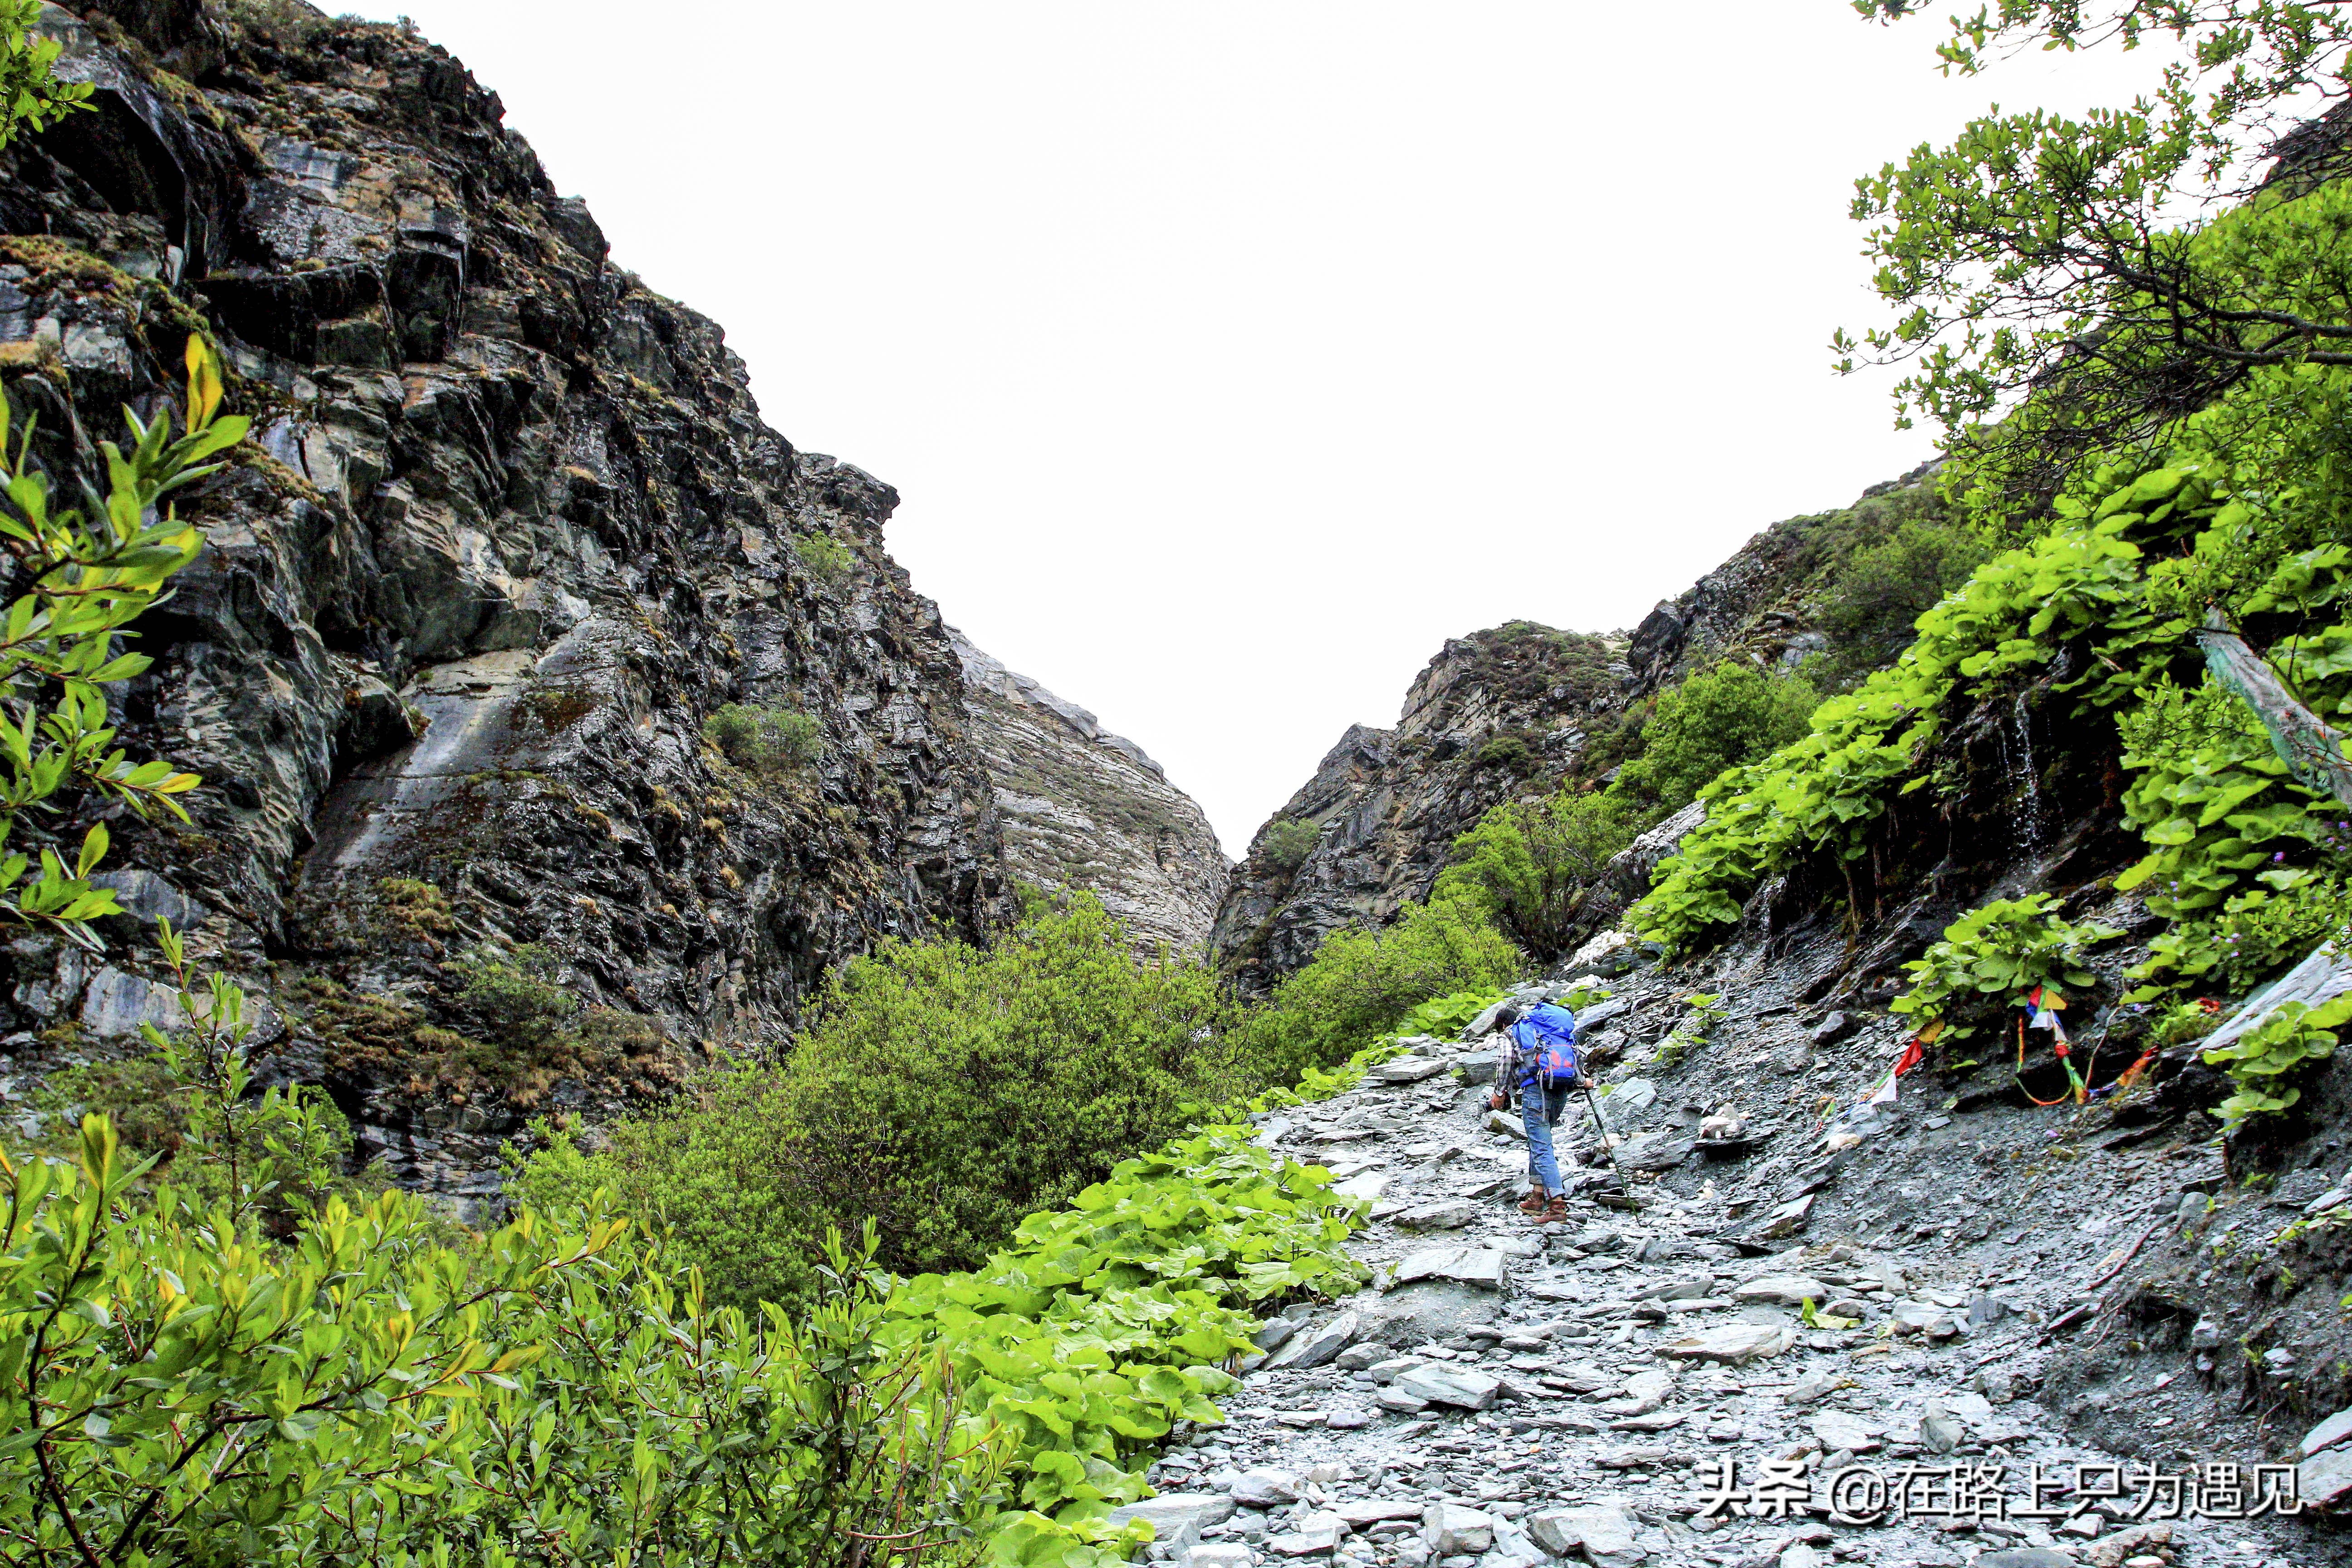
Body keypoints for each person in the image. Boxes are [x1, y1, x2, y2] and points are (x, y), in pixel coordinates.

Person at [1486, 999, 1588, 1224]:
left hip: (1536, 1093)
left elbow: (1505, 1060)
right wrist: (1582, 1081)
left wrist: (1500, 1091)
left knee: (1541, 1146)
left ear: (1503, 1025)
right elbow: (1576, 1053)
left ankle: (1557, 1206)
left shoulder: (1511, 1033)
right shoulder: (1551, 1033)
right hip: (1560, 1089)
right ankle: (1537, 1196)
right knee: (1539, 1140)